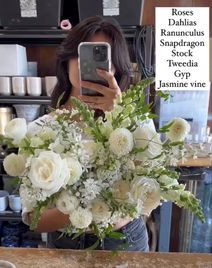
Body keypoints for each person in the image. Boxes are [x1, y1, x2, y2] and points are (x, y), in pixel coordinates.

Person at [27, 16, 149, 251]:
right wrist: (85, 213)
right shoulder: (41, 130)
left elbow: (149, 196)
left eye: (104, 57)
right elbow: (33, 217)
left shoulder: (137, 123)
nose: (93, 66)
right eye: (85, 54)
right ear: (68, 59)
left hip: (124, 240)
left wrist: (119, 115)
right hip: (65, 246)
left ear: (117, 68)